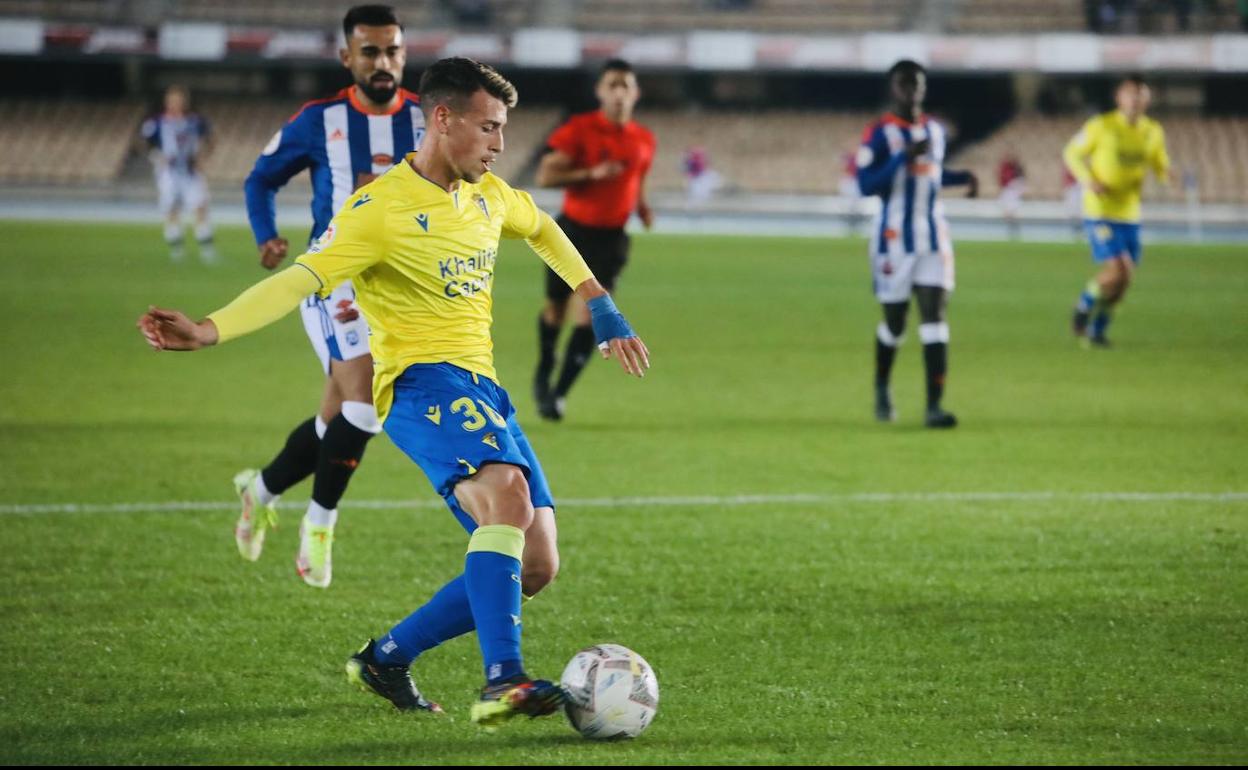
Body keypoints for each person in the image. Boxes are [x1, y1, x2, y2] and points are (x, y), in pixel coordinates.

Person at [137, 57, 650, 729]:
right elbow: (301, 279)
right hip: (417, 383)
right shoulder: (378, 210)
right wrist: (210, 329)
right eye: (489, 127)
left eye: (503, 128)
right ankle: (504, 678)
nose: (500, 144)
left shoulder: (488, 195)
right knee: (508, 498)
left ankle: (385, 658)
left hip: (484, 388)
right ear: (443, 119)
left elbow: (543, 228)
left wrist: (599, 302)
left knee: (537, 564)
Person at [237, 4, 424, 588]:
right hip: (332, 278)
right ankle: (319, 526)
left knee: (335, 420)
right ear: (347, 57)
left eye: (392, 50)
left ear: (404, 54)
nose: (383, 62)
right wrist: (266, 234)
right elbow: (260, 178)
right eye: (370, 52)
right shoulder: (319, 121)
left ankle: (260, 491)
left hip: (397, 288)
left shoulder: (429, 120)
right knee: (366, 406)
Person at [855, 59, 978, 429]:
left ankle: (934, 407)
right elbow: (866, 185)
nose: (911, 91)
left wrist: (963, 178)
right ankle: (881, 386)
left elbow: (932, 177)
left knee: (934, 316)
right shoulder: (879, 133)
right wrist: (900, 158)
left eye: (917, 84)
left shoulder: (935, 131)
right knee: (895, 323)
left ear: (923, 89)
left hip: (933, 238)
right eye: (904, 84)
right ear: (893, 88)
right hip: (893, 241)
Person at [531, 59, 655, 421]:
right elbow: (545, 176)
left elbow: (637, 179)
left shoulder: (644, 139)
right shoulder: (579, 130)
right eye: (612, 84)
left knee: (591, 316)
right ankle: (546, 363)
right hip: (572, 233)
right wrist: (591, 173)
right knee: (556, 310)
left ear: (635, 93)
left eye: (625, 85)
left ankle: (558, 394)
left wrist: (642, 207)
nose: (619, 92)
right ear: (600, 91)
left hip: (612, 238)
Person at [1063, 73, 1173, 348]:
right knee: (1118, 268)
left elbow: (1159, 162)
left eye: (1140, 95)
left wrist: (1167, 174)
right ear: (1119, 97)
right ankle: (1084, 304)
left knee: (1125, 280)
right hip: (1100, 211)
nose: (1135, 100)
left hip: (1130, 214)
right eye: (1130, 94)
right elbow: (1071, 153)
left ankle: (1097, 331)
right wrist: (1088, 180)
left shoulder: (1153, 131)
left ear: (1147, 100)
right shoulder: (1101, 125)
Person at [141, 85, 215, 263]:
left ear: (185, 102)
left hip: (190, 171)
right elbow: (142, 142)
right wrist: (156, 157)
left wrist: (202, 157)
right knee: (171, 208)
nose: (175, 104)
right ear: (166, 102)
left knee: (200, 207)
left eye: (179, 100)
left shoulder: (196, 121)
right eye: (172, 100)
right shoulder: (157, 122)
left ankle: (206, 250)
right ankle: (177, 251)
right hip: (169, 172)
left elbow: (211, 139)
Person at [997, 151, 1026, 240]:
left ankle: (1014, 231)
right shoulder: (1005, 167)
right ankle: (1011, 230)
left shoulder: (1015, 169)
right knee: (1007, 213)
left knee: (1011, 212)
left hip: (1011, 192)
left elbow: (1019, 181)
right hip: (1007, 190)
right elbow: (1002, 179)